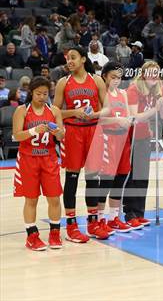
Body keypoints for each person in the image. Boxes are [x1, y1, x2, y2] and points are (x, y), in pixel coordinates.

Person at [53, 46, 108, 242]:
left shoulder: (97, 80)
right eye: (67, 58)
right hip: (73, 132)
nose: (69, 61)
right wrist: (73, 113)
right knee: (72, 178)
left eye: (73, 57)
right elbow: (55, 111)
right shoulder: (62, 82)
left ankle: (93, 223)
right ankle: (71, 227)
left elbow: (108, 108)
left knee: (93, 179)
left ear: (83, 59)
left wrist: (95, 114)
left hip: (93, 130)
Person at [12, 76, 64, 250]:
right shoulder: (22, 110)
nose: (42, 97)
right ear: (31, 93)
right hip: (28, 159)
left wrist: (57, 132)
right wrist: (34, 130)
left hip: (49, 158)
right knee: (31, 199)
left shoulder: (54, 110)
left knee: (54, 198)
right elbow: (16, 136)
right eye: (38, 93)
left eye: (45, 93)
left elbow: (61, 136)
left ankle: (55, 234)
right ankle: (32, 236)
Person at [124, 61, 163, 227]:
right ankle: (129, 213)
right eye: (150, 73)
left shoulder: (159, 90)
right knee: (132, 175)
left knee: (143, 175)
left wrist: (162, 105)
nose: (153, 75)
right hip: (131, 136)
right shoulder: (134, 89)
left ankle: (140, 212)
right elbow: (135, 117)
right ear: (143, 74)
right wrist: (155, 109)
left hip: (144, 137)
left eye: (156, 73)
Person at [97, 62, 136, 233]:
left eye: (119, 78)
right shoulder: (101, 93)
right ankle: (99, 219)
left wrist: (130, 120)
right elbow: (97, 119)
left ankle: (113, 218)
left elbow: (127, 115)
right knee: (106, 181)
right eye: (113, 77)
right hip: (107, 138)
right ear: (104, 76)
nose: (116, 81)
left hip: (123, 139)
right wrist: (116, 120)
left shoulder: (123, 94)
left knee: (120, 178)